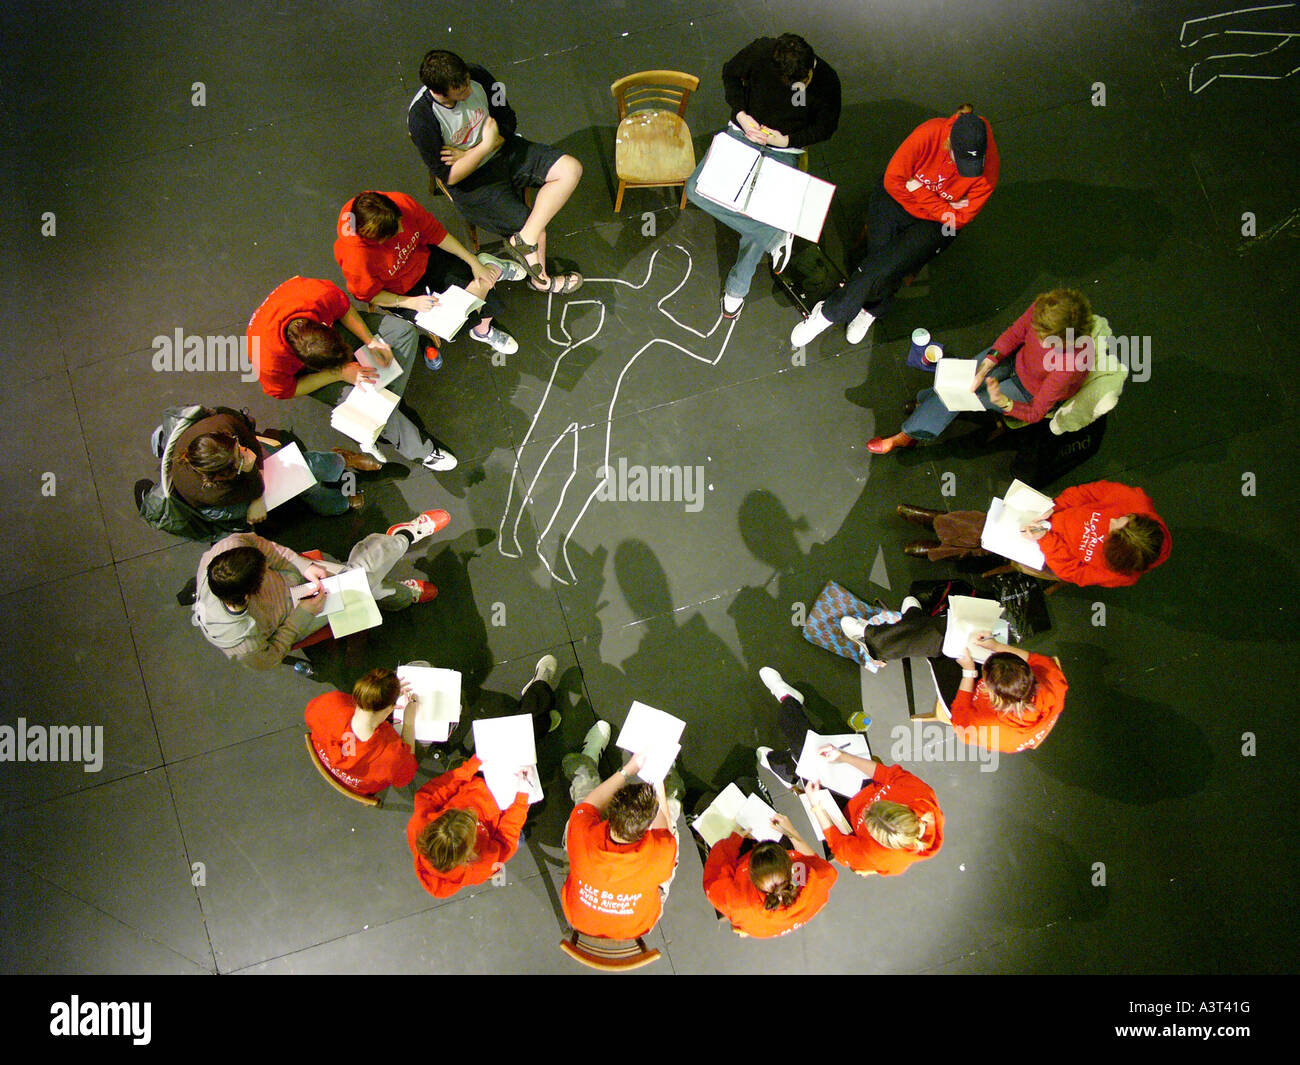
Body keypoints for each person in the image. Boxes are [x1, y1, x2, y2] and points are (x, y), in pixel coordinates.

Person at [791, 105, 999, 347]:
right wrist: (946, 204)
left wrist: (920, 191)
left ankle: (830, 313)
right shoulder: (929, 133)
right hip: (896, 201)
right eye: (958, 160)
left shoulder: (986, 168)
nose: (965, 171)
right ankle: (874, 308)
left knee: (889, 262)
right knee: (885, 261)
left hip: (934, 223)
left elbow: (960, 219)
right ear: (949, 144)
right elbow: (893, 181)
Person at [685, 33, 841, 319]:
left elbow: (826, 128)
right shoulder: (761, 51)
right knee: (695, 189)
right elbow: (729, 75)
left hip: (784, 148)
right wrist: (742, 116)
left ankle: (737, 286)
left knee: (761, 212)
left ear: (809, 69)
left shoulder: (828, 82)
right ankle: (774, 236)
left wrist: (787, 140)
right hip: (745, 132)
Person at [408, 49, 584, 294]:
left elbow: (509, 121)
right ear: (439, 92)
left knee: (570, 169)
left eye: (468, 84)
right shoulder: (422, 118)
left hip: (504, 151)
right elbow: (449, 175)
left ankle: (524, 241)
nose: (469, 92)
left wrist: (483, 147)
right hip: (472, 182)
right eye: (461, 91)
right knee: (536, 227)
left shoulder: (479, 75)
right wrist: (483, 147)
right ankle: (540, 281)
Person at [248, 275, 459, 471]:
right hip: (311, 374)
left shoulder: (315, 294)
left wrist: (372, 341)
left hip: (333, 333)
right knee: (372, 401)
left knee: (403, 333)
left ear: (324, 324)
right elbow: (286, 390)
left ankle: (370, 423)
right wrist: (338, 374)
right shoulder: (267, 359)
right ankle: (420, 450)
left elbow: (344, 309)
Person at [192, 509, 448, 670]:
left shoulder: (228, 549)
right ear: (250, 593)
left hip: (296, 578)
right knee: (361, 581)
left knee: (359, 580)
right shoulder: (241, 641)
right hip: (295, 615)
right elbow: (269, 659)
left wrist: (302, 565)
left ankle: (398, 593)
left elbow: (269, 550)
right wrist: (301, 615)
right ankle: (403, 538)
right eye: (263, 573)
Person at [406, 655, 564, 897]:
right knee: (526, 740)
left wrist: (471, 766)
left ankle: (538, 717)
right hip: (505, 802)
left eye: (459, 814)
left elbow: (438, 790)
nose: (470, 812)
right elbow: (506, 839)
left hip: (480, 779)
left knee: (523, 733)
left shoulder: (418, 826)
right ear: (469, 854)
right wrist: (521, 799)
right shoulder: (479, 869)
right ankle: (538, 702)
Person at [868, 288, 1096, 454]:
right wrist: (987, 364)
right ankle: (924, 406)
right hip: (1016, 359)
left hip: (1028, 391)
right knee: (961, 381)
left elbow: (1036, 412)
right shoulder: (1044, 310)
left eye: (1044, 338)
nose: (1036, 336)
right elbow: (1015, 335)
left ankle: (907, 434)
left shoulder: (1071, 365)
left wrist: (1003, 402)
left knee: (958, 396)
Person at [333, 189, 522, 357]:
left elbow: (436, 233)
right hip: (402, 293)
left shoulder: (400, 204)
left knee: (487, 294)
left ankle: (486, 280)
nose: (402, 228)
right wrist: (410, 302)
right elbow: (371, 296)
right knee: (456, 325)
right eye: (396, 231)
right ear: (379, 240)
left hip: (428, 259)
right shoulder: (356, 259)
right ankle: (491, 276)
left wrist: (472, 261)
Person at [895, 482, 1171, 585]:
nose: (1113, 521)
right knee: (987, 527)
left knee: (990, 536)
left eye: (1114, 530)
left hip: (1050, 553)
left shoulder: (1119, 572)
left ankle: (938, 529)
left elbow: (1071, 571)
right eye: (1122, 520)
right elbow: (1087, 492)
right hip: (1049, 517)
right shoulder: (1134, 502)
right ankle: (939, 535)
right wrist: (1054, 510)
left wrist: (1045, 539)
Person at [560, 722, 680, 940]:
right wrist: (657, 778)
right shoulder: (661, 851)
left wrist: (628, 770)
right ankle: (667, 772)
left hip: (579, 917)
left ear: (610, 813)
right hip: (637, 926)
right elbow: (665, 827)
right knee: (672, 806)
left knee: (584, 789)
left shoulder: (583, 835)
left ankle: (584, 760)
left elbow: (590, 805)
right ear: (648, 828)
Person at [169, 407, 374, 522]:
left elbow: (251, 445)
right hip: (226, 503)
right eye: (240, 459)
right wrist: (255, 488)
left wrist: (247, 465)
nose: (245, 453)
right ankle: (333, 494)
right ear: (220, 476)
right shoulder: (213, 491)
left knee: (301, 468)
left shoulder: (223, 425)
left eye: (237, 447)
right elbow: (251, 489)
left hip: (243, 477)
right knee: (300, 480)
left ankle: (339, 463)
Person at [702, 819, 837, 938]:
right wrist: (790, 831)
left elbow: (714, 877)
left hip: (738, 861)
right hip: (763, 926)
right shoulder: (815, 881)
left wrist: (734, 840)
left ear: (751, 874)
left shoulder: (738, 903)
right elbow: (812, 860)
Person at [305, 668, 418, 796]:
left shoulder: (331, 702)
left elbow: (310, 715)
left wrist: (381, 696)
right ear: (389, 710)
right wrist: (409, 721)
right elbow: (405, 777)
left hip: (325, 758)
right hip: (360, 787)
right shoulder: (392, 755)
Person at [950, 633, 1068, 753]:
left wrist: (969, 672)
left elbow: (960, 722)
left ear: (990, 692)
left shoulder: (986, 730)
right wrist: (995, 645)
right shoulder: (1051, 680)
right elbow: (1032, 659)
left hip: (970, 707)